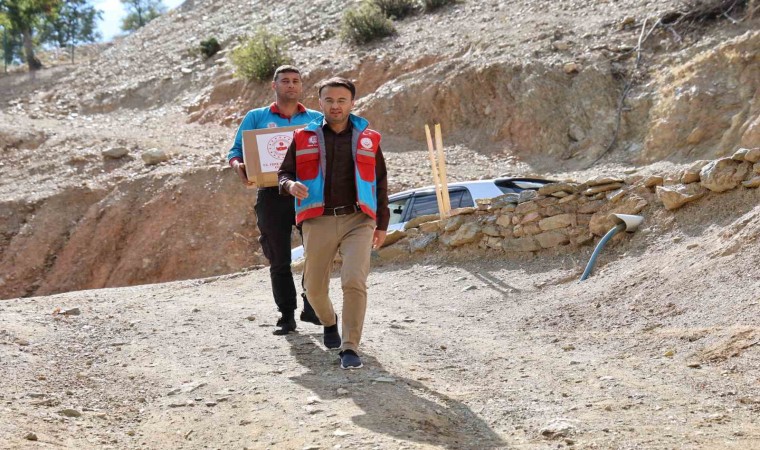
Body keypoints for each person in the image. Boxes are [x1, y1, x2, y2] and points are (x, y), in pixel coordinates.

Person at [278, 77, 389, 369]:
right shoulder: (303, 137)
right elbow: (284, 173)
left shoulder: (369, 138)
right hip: (318, 220)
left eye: (342, 100)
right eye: (329, 100)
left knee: (354, 280)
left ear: (352, 103)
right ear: (320, 103)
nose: (335, 106)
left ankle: (350, 347)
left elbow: (380, 182)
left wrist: (382, 224)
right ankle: (329, 321)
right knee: (314, 288)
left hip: (359, 219)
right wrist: (290, 185)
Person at [227, 65, 323, 335]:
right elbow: (235, 151)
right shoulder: (256, 117)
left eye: (296, 81)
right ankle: (286, 316)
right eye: (285, 81)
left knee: (317, 254)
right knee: (279, 259)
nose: (291, 85)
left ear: (301, 85)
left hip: (308, 194)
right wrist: (239, 167)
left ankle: (312, 306)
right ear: (274, 85)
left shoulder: (316, 118)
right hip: (271, 196)